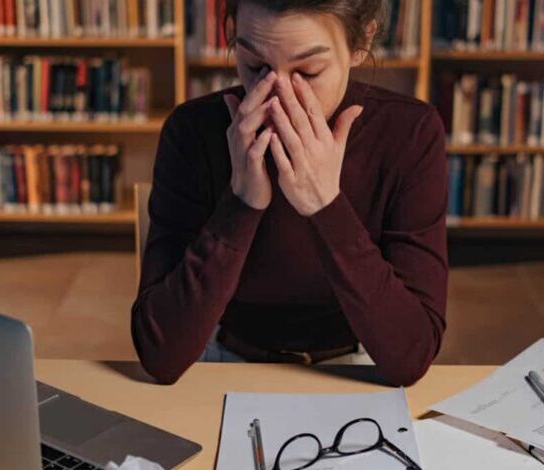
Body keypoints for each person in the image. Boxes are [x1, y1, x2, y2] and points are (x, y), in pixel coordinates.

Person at [131, 0, 448, 386]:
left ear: (360, 43)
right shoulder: (193, 131)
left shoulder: (409, 134)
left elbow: (410, 357)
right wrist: (241, 204)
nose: (277, 98)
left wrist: (326, 207)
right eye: (255, 66)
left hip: (359, 365)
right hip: (225, 360)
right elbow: (161, 355)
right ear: (232, 34)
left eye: (308, 72)